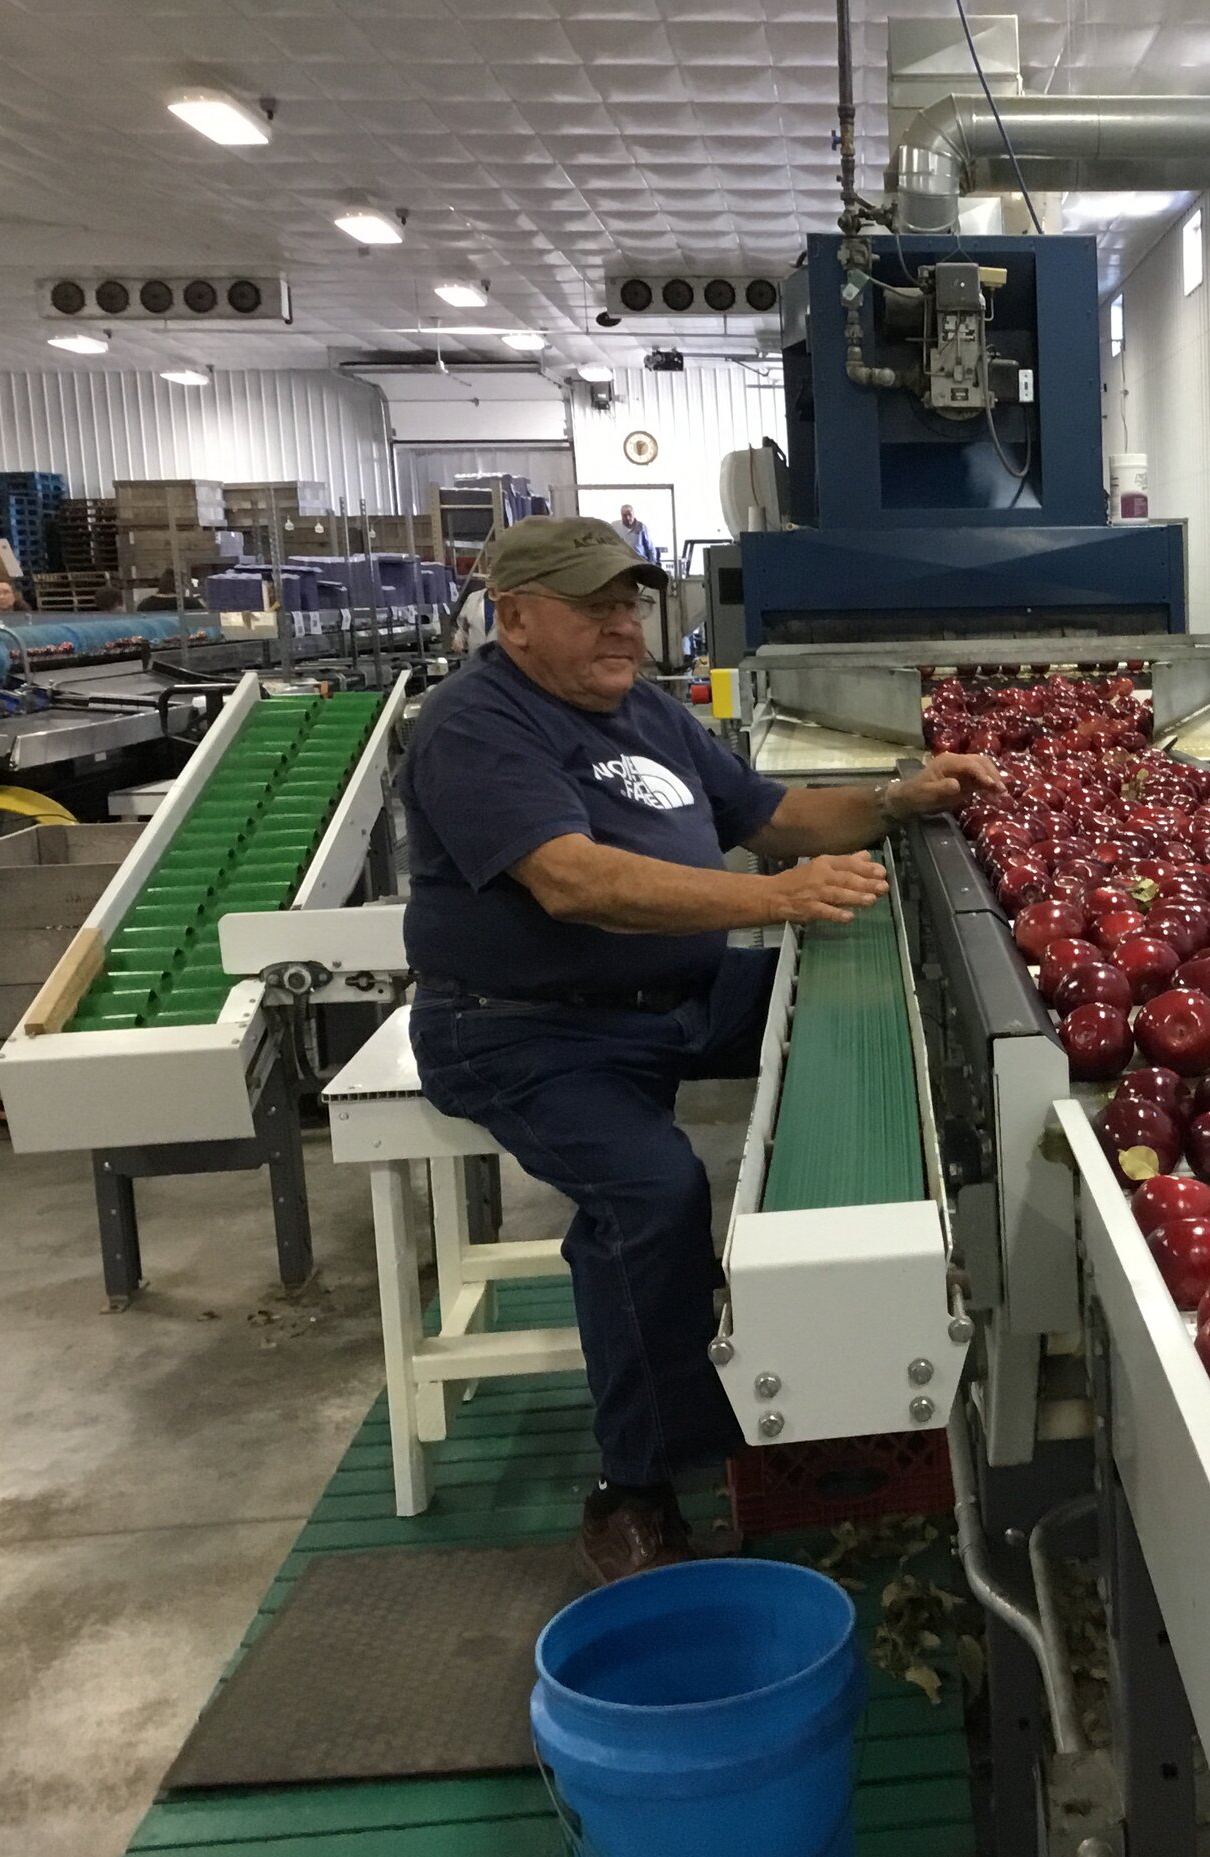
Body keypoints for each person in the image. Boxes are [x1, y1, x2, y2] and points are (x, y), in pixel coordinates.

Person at [400, 515, 1002, 1582]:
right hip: (522, 1028)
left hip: (670, 992)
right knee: (651, 1195)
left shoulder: (643, 712)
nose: (623, 628)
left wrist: (898, 798)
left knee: (885, 1013)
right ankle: (637, 1483)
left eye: (629, 604)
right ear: (516, 617)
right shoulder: (475, 724)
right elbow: (572, 882)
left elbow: (771, 817)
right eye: (594, 608)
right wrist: (770, 899)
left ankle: (899, 1323)